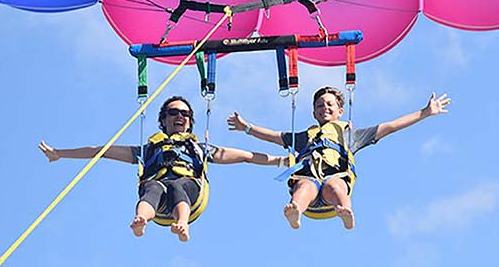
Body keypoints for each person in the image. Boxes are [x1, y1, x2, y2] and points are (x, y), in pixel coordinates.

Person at [39, 96, 286, 242]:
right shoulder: (147, 151)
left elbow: (245, 156)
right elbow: (101, 150)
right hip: (157, 197)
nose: (180, 116)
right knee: (153, 187)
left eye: (185, 114)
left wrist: (279, 161)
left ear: (190, 121)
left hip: (189, 192)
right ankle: (140, 220)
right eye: (174, 112)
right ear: (163, 119)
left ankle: (182, 224)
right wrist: (60, 154)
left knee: (179, 185)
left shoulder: (200, 149)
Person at [227, 86, 450, 230]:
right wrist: (246, 128)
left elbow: (390, 126)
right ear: (314, 113)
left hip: (335, 178)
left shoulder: (350, 135)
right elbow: (274, 137)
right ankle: (295, 210)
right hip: (311, 181)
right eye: (319, 105)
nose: (324, 107)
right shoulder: (306, 137)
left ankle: (345, 211)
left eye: (329, 104)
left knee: (334, 186)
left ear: (340, 111)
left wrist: (425, 112)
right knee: (303, 186)